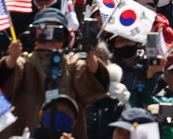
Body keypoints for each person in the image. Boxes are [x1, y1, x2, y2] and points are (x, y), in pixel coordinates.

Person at [0, 9, 109, 139]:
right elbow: (6, 84)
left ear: (65, 38)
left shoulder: (73, 64)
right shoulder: (24, 62)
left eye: (56, 32)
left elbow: (95, 89)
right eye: (43, 31)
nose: (49, 37)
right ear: (34, 36)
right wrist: (11, 59)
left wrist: (91, 58)